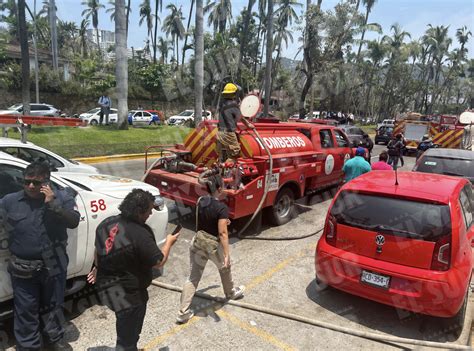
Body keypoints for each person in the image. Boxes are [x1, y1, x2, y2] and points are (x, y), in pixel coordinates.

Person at [0, 161, 80, 351]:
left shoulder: (62, 197)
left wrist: (53, 204)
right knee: (26, 309)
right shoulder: (10, 201)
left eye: (36, 183)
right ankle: (29, 346)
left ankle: (54, 339)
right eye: (27, 182)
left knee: (53, 306)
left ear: (47, 182)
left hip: (54, 265)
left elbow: (73, 221)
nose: (30, 186)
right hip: (23, 267)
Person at [87, 189, 179, 351]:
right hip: (130, 296)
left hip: (107, 289)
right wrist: (169, 242)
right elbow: (158, 262)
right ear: (138, 211)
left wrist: (97, 267)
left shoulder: (106, 223)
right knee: (128, 335)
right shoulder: (140, 233)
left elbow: (98, 250)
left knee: (123, 323)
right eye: (149, 210)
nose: (151, 213)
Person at [176, 172, 245, 324]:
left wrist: (222, 221)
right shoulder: (222, 208)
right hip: (213, 246)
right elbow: (222, 234)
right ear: (219, 189)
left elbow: (206, 218)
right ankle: (230, 292)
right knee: (225, 267)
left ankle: (182, 313)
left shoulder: (201, 200)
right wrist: (226, 255)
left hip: (198, 242)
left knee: (193, 278)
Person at [216, 83, 252, 163]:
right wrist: (248, 124)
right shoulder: (233, 105)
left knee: (223, 155)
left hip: (219, 133)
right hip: (228, 134)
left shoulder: (222, 104)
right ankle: (227, 169)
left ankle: (220, 171)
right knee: (235, 154)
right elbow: (241, 118)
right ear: (234, 94)